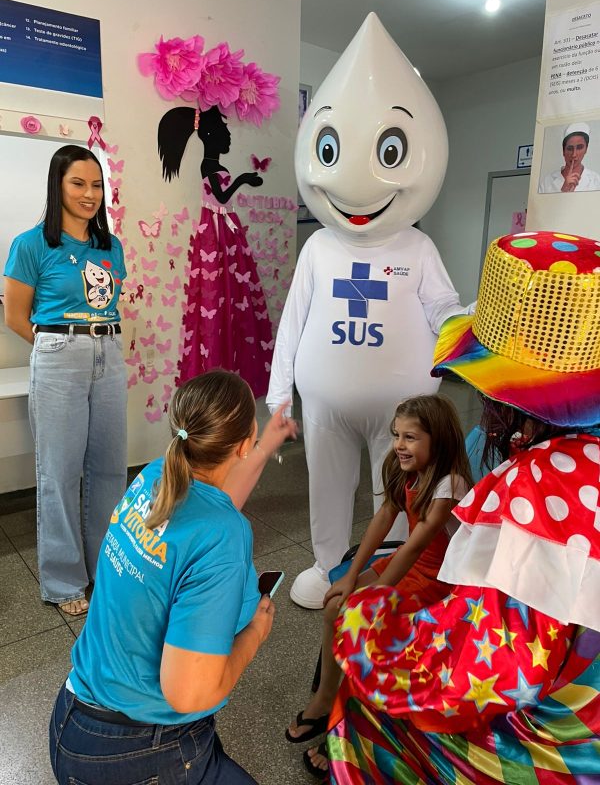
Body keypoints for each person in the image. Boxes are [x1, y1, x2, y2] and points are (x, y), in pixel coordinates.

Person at [323, 231, 600, 784]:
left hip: (559, 739)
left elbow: (486, 676)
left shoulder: (537, 487)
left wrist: (367, 625)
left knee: (370, 713)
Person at [267, 13, 473, 610]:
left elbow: (442, 308)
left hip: (403, 410)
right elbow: (294, 322)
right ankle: (328, 563)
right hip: (325, 406)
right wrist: (281, 397)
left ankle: (396, 579)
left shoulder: (417, 246)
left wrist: (470, 334)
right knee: (326, 486)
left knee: (405, 490)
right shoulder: (318, 247)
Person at [49, 369, 297, 785]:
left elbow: (209, 508)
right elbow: (189, 694)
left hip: (73, 720)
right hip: (137, 754)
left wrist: (265, 444)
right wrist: (255, 631)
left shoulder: (154, 475)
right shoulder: (224, 537)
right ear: (241, 442)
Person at [287, 394, 473, 777]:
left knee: (366, 629)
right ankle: (324, 701)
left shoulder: (449, 484)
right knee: (335, 605)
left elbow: (418, 544)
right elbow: (384, 519)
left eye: (410, 437)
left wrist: (377, 594)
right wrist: (353, 576)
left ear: (437, 440)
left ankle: (347, 729)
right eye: (396, 435)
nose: (400, 445)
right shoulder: (403, 467)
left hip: (439, 581)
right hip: (408, 562)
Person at [3, 144, 127, 617]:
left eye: (97, 185)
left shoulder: (109, 246)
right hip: (57, 352)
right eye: (79, 183)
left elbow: (108, 302)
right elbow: (16, 317)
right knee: (58, 473)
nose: (89, 194)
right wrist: (57, 349)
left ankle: (107, 570)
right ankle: (63, 581)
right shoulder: (31, 244)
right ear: (58, 186)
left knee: (110, 469)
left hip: (109, 351)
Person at [157, 105, 274, 396]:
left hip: (226, 230)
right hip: (217, 233)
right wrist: (244, 179)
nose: (229, 138)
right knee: (217, 291)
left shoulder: (213, 165)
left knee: (234, 293)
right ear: (210, 135)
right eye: (224, 132)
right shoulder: (209, 166)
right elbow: (221, 196)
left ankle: (234, 360)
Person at [539, 121, 600, 193]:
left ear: (586, 149)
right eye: (570, 148)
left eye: (579, 147)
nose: (574, 154)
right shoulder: (547, 182)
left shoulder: (596, 181)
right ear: (563, 151)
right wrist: (563, 190)